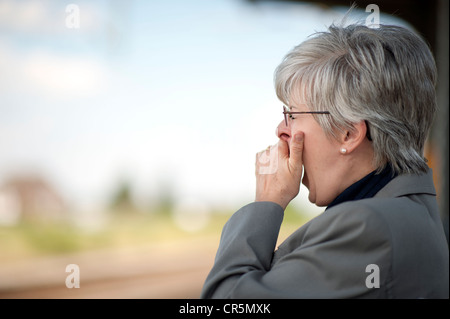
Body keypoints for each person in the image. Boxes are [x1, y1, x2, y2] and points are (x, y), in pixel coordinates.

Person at [201, 22, 449, 299]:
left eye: (293, 115)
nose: (281, 130)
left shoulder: (367, 228)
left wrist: (266, 204)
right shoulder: (406, 210)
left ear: (348, 133)